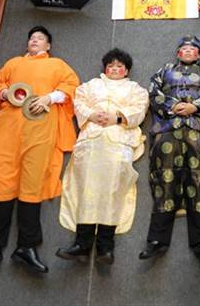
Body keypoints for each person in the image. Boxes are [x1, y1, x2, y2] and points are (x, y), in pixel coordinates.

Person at [0, 26, 79, 274]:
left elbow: (72, 87)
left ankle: (27, 246)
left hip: (40, 127)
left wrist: (49, 98)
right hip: (9, 127)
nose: (34, 40)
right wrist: (4, 92)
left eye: (40, 38)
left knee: (32, 182)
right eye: (31, 38)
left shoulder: (57, 65)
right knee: (0, 178)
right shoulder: (12, 63)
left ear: (48, 46)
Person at [56, 49, 149, 265]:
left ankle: (106, 247)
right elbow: (78, 102)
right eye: (111, 65)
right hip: (92, 140)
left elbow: (139, 110)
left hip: (118, 141)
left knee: (113, 191)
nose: (115, 69)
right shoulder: (89, 86)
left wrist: (118, 117)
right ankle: (82, 243)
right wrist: (91, 114)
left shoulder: (136, 89)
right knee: (86, 189)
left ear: (126, 70)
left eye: (120, 66)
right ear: (105, 68)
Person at [139, 36, 200, 261]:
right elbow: (153, 92)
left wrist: (194, 106)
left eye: (193, 48)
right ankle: (156, 240)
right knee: (164, 181)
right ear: (178, 53)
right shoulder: (164, 70)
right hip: (167, 130)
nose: (188, 51)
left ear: (198, 53)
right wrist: (173, 106)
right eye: (184, 48)